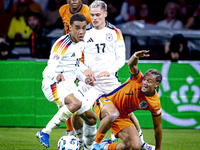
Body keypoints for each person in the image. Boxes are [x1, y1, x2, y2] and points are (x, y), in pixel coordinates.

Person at [71, 1, 155, 150]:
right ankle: (79, 140)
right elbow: (75, 59)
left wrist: (109, 71)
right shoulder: (84, 33)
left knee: (127, 110)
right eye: (92, 15)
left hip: (110, 81)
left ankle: (141, 143)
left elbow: (120, 58)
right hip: (90, 83)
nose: (94, 18)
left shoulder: (115, 32)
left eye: (97, 15)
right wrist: (85, 72)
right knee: (76, 109)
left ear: (105, 14)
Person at [35, 13, 97, 148]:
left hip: (68, 85)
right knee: (76, 103)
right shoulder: (62, 45)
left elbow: (74, 67)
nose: (81, 32)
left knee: (92, 119)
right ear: (70, 28)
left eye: (84, 28)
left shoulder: (81, 43)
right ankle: (45, 132)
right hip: (53, 84)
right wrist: (55, 75)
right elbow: (49, 67)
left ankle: (86, 146)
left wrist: (85, 79)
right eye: (77, 28)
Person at [92, 50, 163, 150]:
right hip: (105, 102)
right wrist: (135, 56)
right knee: (113, 113)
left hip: (122, 116)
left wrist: (158, 148)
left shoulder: (155, 103)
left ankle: (105, 147)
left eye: (149, 81)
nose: (144, 83)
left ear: (156, 85)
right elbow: (131, 64)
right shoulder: (137, 78)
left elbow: (157, 126)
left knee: (134, 146)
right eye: (145, 79)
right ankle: (94, 144)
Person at [58, 0, 92, 137]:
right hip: (69, 59)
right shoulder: (62, 10)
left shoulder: (88, 13)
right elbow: (65, 31)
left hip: (84, 61)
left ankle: (84, 133)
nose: (73, 1)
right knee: (65, 96)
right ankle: (70, 130)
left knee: (80, 100)